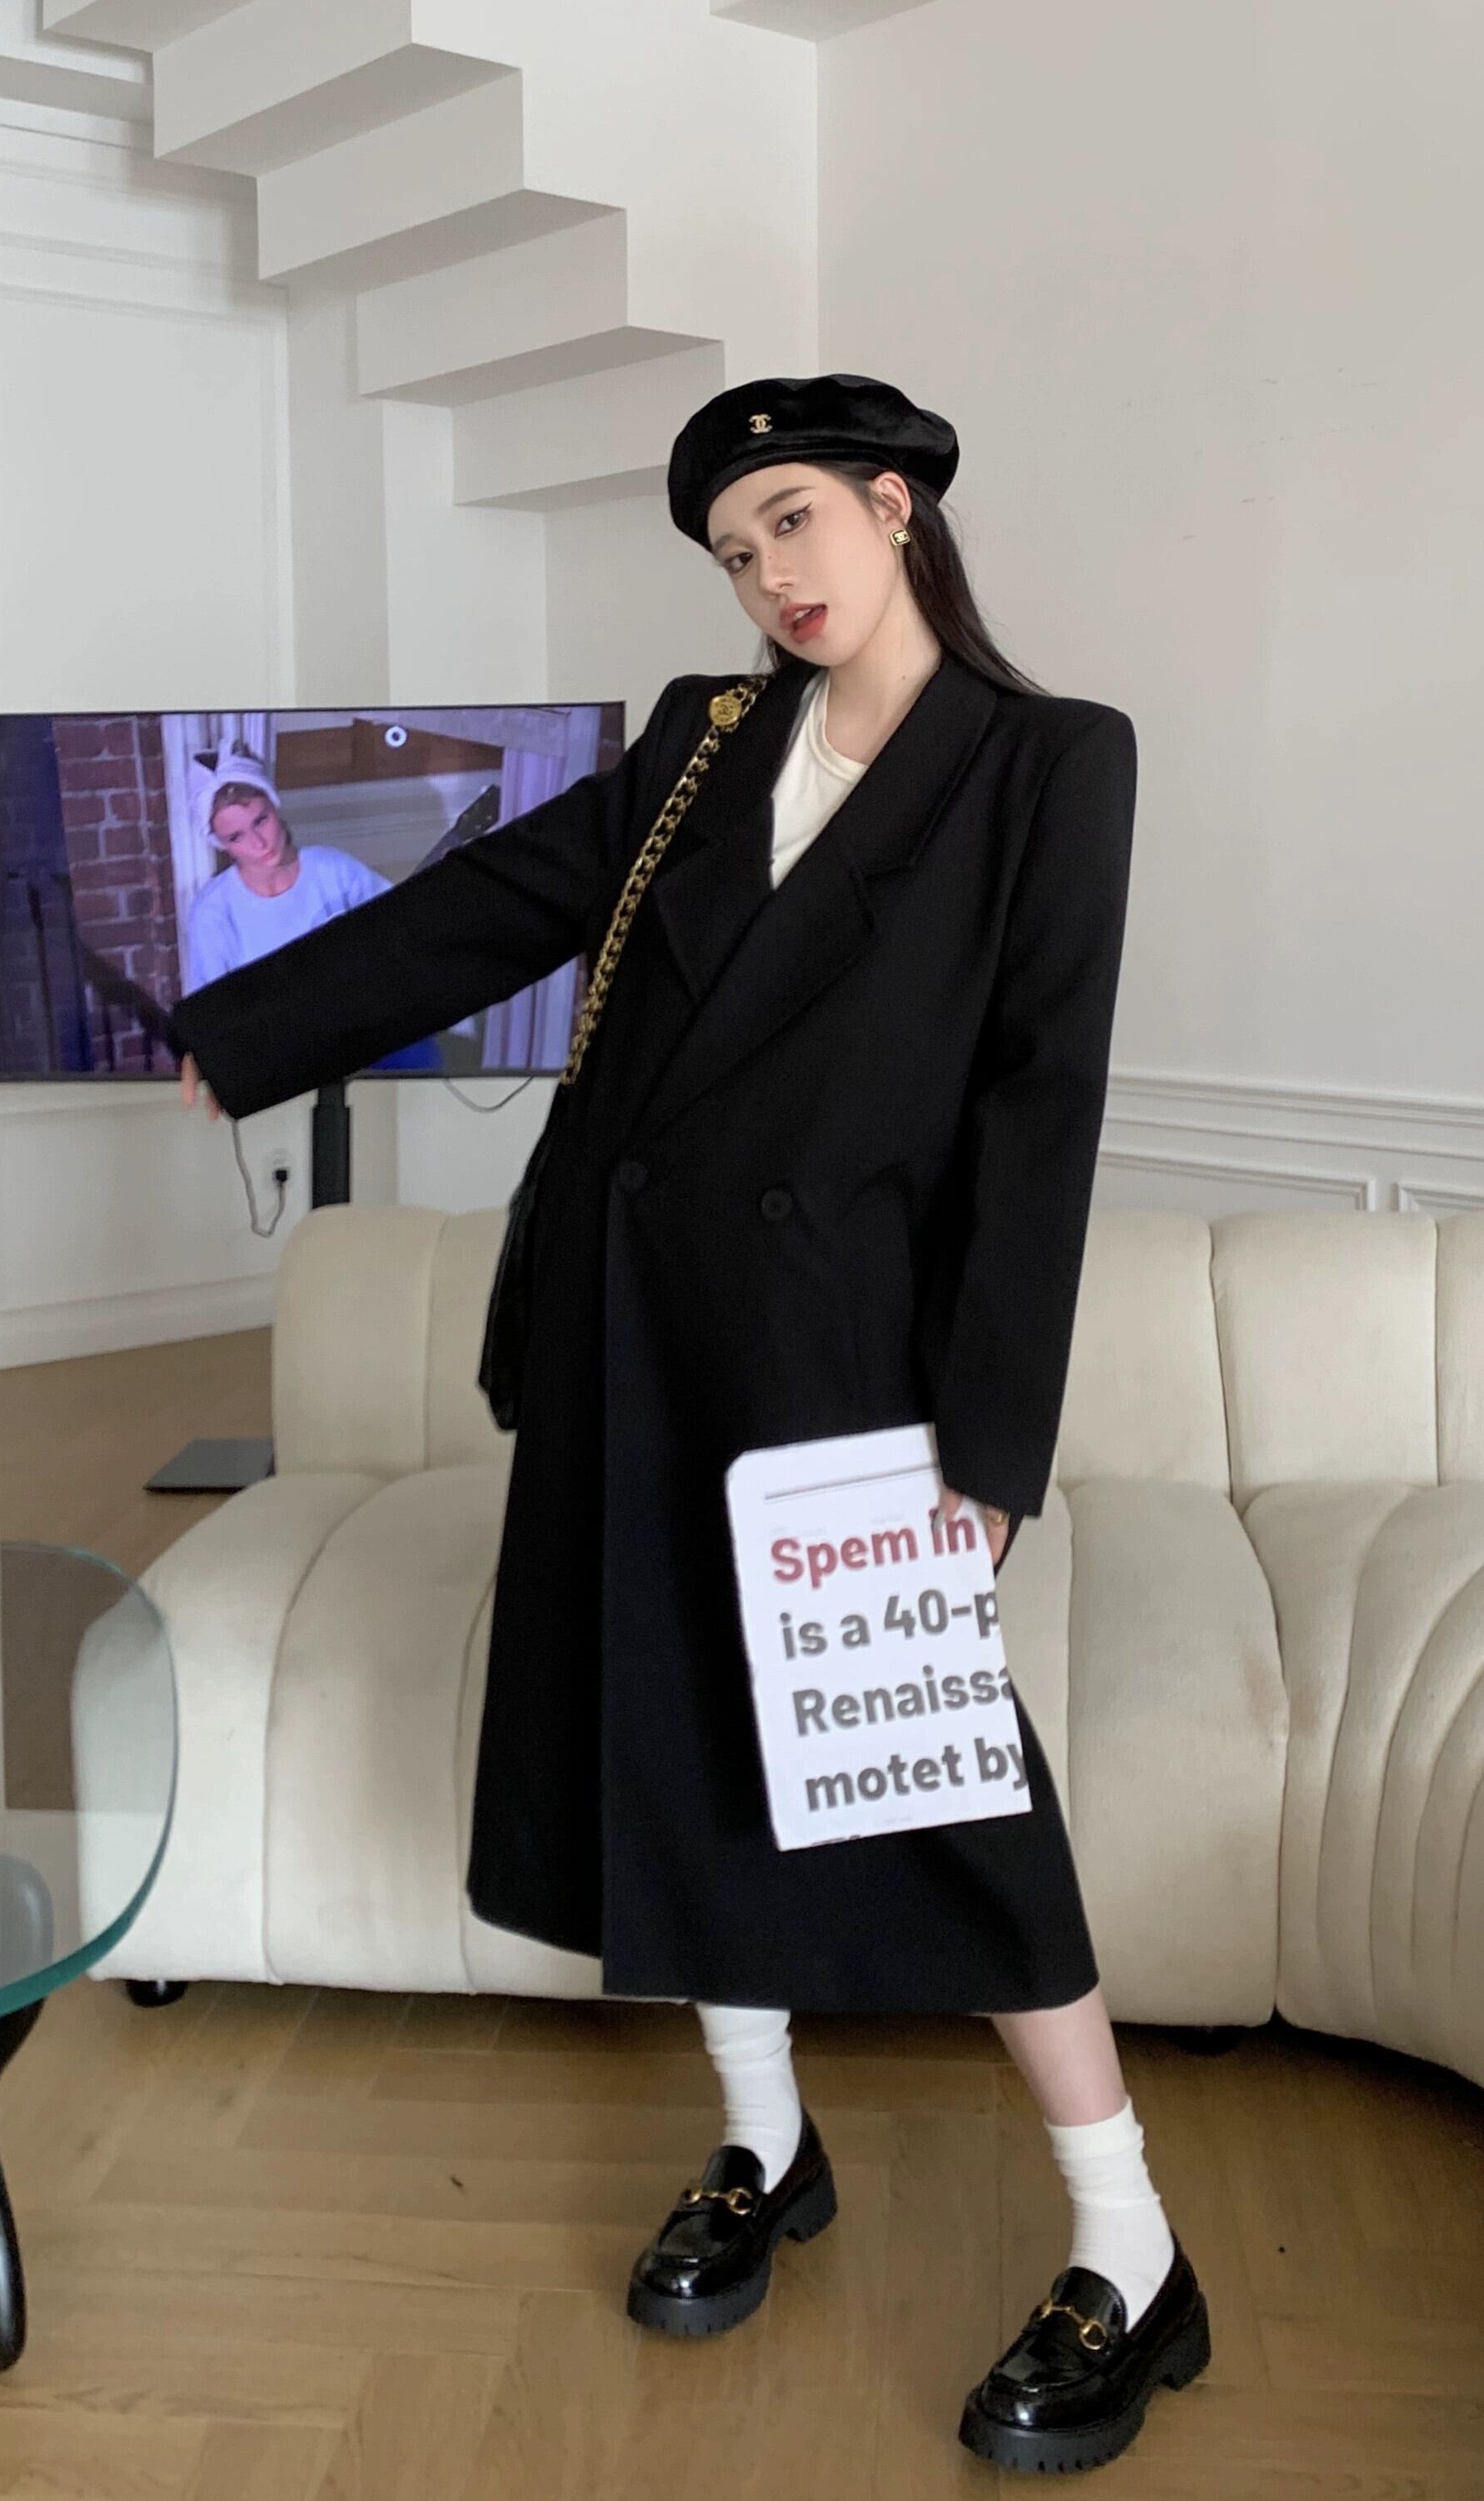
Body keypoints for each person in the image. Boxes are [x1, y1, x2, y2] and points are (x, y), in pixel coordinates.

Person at [169, 374, 1210, 2474]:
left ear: (894, 505)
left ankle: (1131, 2236)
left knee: (944, 1786)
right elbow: (496, 904)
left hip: (845, 1369)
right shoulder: (702, 740)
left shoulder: (1048, 762)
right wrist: (250, 1030)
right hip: (631, 1332)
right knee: (668, 1740)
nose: (771, 577)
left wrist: (986, 1445)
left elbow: (1041, 1111)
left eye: (795, 521)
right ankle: (762, 2140)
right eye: (738, 552)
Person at [183, 753, 440, 1069]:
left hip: (368, 1032)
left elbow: (401, 930)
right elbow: (215, 1017)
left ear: (274, 805)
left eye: (261, 821)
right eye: (236, 837)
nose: (259, 843)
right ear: (222, 844)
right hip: (286, 1057)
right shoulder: (213, 912)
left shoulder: (333, 869)